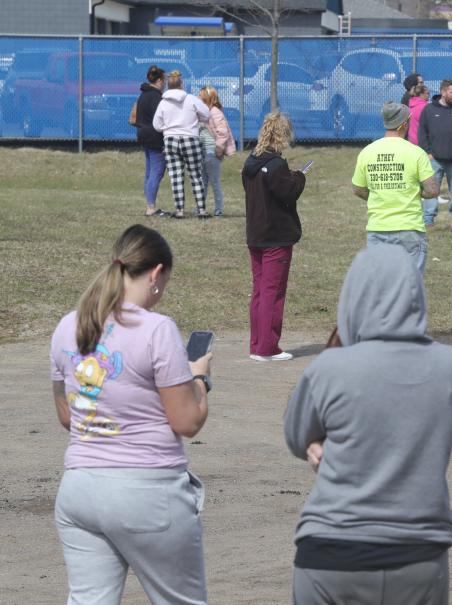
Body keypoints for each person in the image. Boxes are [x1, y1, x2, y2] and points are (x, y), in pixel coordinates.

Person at [284, 244, 452, 605]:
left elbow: (296, 436)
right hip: (419, 553)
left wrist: (323, 444)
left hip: (331, 553)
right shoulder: (448, 367)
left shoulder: (331, 368)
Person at [50, 224, 211, 604]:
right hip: (147, 493)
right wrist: (200, 379)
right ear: (156, 273)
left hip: (79, 491)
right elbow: (187, 421)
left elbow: (67, 415)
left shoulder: (66, 326)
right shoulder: (156, 329)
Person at [242, 113, 306, 361]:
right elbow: (288, 192)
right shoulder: (276, 165)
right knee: (272, 291)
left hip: (256, 234)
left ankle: (257, 343)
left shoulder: (252, 162)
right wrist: (299, 177)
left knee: (260, 290)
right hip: (275, 237)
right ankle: (268, 347)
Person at [352, 102, 439, 274]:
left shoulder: (367, 152)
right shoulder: (416, 153)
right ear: (404, 124)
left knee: (381, 286)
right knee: (411, 287)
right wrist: (414, 192)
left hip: (378, 228)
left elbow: (358, 189)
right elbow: (432, 190)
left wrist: (380, 193)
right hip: (409, 229)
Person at [152, 70, 210, 219]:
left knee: (175, 176)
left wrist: (168, 128)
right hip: (190, 138)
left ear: (168, 85)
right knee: (196, 175)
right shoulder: (191, 99)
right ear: (182, 84)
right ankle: (201, 210)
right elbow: (207, 114)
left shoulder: (163, 102)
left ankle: (179, 211)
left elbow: (156, 125)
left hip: (170, 140)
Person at [418, 79, 452, 231]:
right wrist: (428, 153)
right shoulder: (429, 110)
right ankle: (428, 220)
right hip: (434, 159)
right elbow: (422, 133)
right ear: (443, 92)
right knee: (431, 191)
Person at [130, 65, 167, 217]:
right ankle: (151, 207)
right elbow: (161, 119)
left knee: (150, 171)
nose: (164, 83)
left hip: (143, 135)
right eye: (163, 80)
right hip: (155, 138)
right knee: (156, 172)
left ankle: (149, 204)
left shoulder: (143, 95)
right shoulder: (156, 98)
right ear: (159, 80)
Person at [197, 85, 235, 217]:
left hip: (212, 152)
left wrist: (218, 150)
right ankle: (200, 208)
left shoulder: (215, 112)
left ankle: (218, 210)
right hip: (202, 151)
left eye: (200, 97)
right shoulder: (203, 113)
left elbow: (223, 133)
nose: (198, 99)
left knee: (214, 181)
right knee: (203, 181)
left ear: (208, 99)